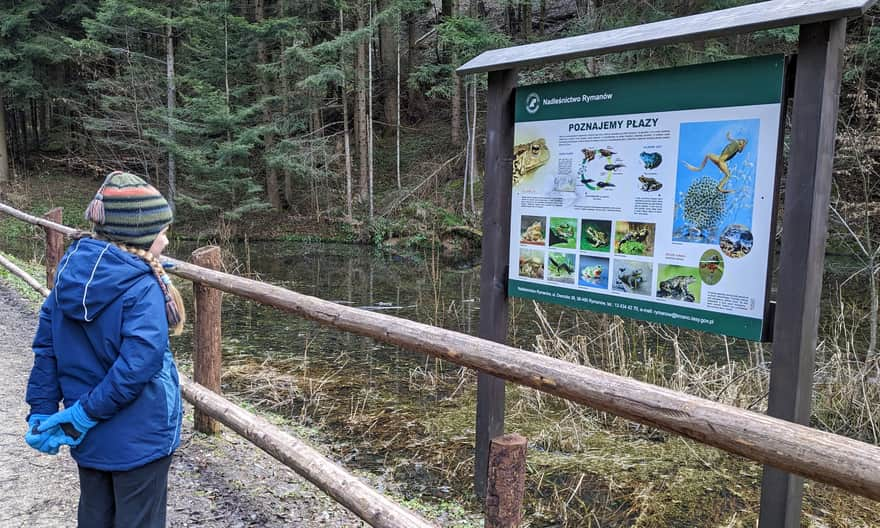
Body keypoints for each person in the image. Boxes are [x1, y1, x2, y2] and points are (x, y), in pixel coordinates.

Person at [24, 171, 185, 527]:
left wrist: (42, 407)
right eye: (161, 233)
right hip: (141, 436)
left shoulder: (69, 274)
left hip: (91, 440)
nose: (167, 242)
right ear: (139, 236)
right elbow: (138, 367)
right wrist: (84, 414)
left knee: (95, 515)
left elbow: (46, 349)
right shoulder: (143, 288)